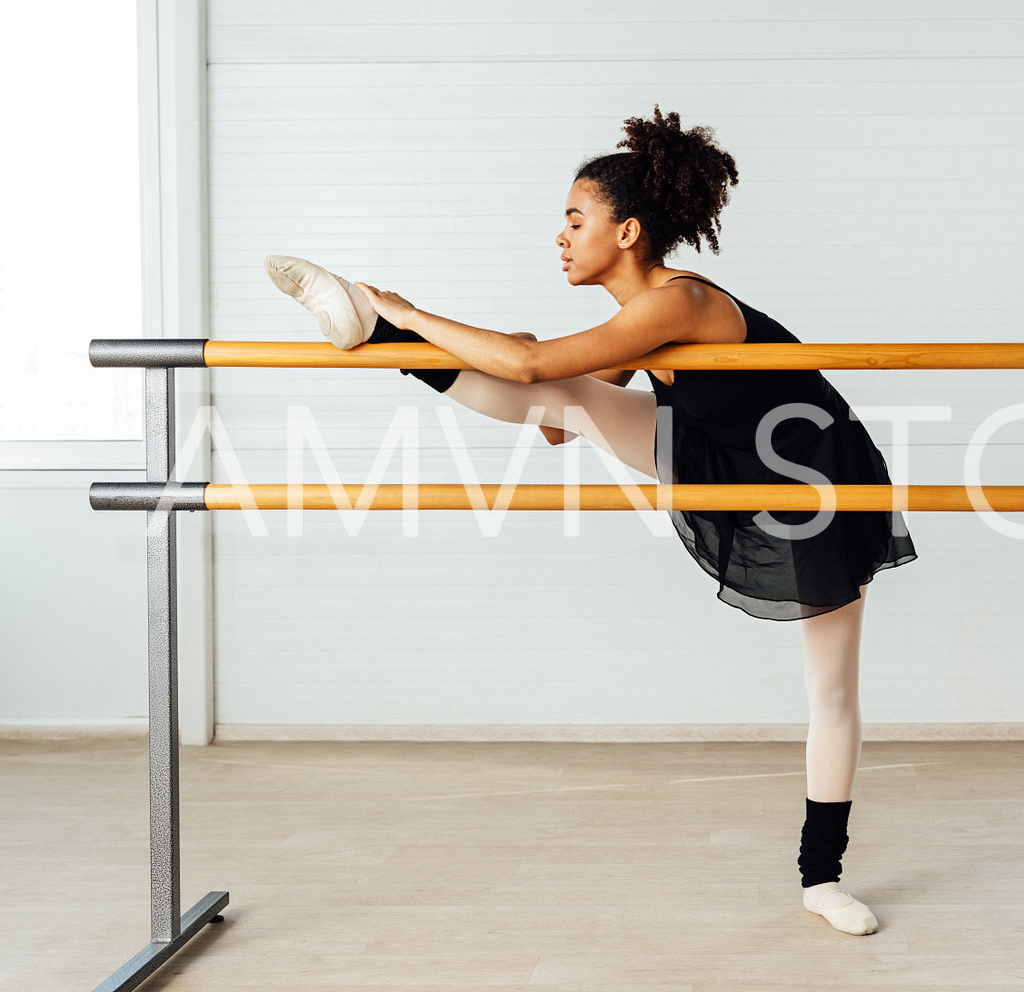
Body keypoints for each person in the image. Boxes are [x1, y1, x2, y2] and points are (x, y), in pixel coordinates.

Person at [264, 105, 917, 937]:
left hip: (814, 480)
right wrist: (505, 355)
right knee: (567, 395)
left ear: (629, 230)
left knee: (829, 689)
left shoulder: (676, 302)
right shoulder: (639, 325)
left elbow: (535, 368)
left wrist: (416, 312)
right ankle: (373, 330)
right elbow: (549, 411)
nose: (562, 237)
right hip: (719, 454)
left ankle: (820, 879)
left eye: (577, 220)